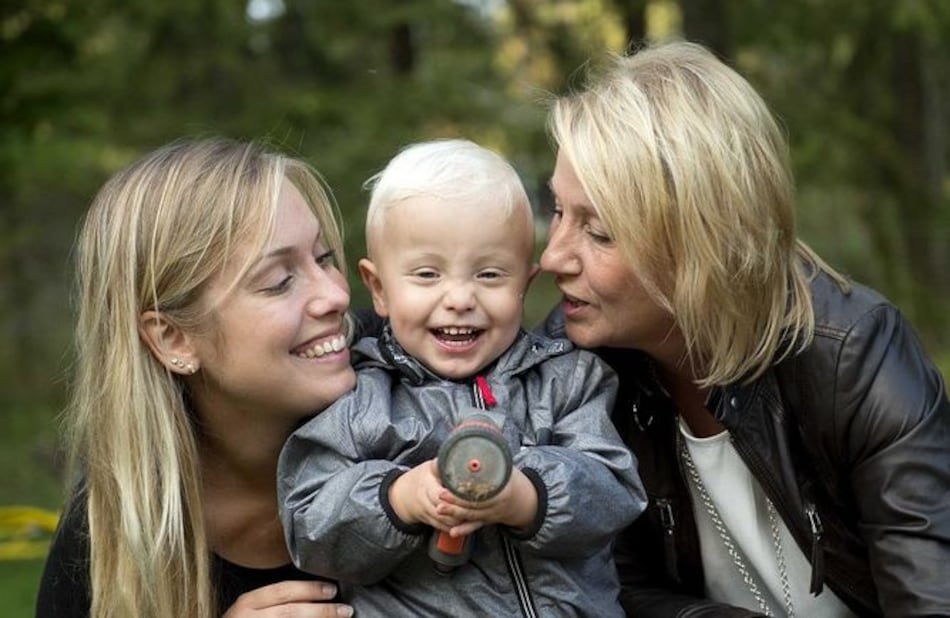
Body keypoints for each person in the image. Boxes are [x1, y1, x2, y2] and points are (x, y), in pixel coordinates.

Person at [538, 40, 950, 617]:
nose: (552, 257)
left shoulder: (854, 359)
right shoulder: (569, 368)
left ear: (701, 241)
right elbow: (600, 587)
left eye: (599, 232)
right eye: (559, 211)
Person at [278, 138, 647, 616]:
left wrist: (527, 495)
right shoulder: (357, 399)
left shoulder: (565, 380)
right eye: (427, 275)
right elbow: (309, 526)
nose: (459, 299)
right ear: (379, 289)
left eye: (489, 275)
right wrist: (398, 499)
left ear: (524, 286)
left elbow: (614, 489)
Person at [36, 138, 358, 618]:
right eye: (279, 281)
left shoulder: (420, 393)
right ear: (173, 339)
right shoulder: (111, 532)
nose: (335, 295)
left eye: (324, 257)